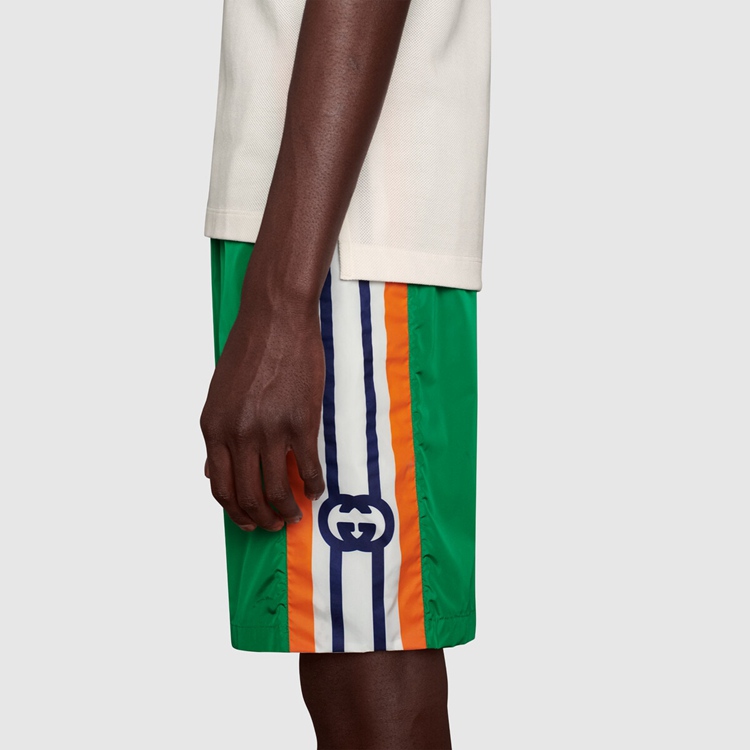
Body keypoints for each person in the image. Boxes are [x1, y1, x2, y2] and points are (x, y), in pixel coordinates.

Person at [200, 1, 491, 747]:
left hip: (341, 240)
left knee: (371, 670)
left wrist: (282, 300)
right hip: (312, 228)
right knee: (344, 664)